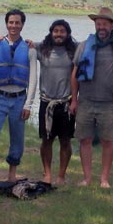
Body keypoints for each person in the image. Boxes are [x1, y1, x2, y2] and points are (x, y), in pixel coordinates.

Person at [0, 9, 37, 188]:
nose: (14, 26)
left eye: (17, 22)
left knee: (17, 138)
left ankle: (12, 174)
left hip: (19, 99)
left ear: (22, 25)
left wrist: (29, 104)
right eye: (11, 22)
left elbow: (33, 78)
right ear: (6, 23)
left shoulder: (30, 49)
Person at [69, 7, 113, 188]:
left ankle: (104, 179)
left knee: (107, 141)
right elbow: (74, 74)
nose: (101, 27)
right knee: (85, 140)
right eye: (98, 24)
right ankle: (86, 178)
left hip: (108, 102)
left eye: (104, 24)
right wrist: (74, 100)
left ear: (112, 25)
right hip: (85, 101)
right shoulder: (85, 45)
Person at [35, 19, 78, 185]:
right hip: (46, 103)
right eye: (56, 31)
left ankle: (61, 175)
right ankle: (47, 174)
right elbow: (24, 45)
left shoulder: (74, 51)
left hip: (66, 103)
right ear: (51, 32)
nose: (59, 34)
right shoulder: (42, 49)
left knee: (65, 140)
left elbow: (94, 41)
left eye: (62, 31)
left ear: (67, 34)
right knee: (46, 140)